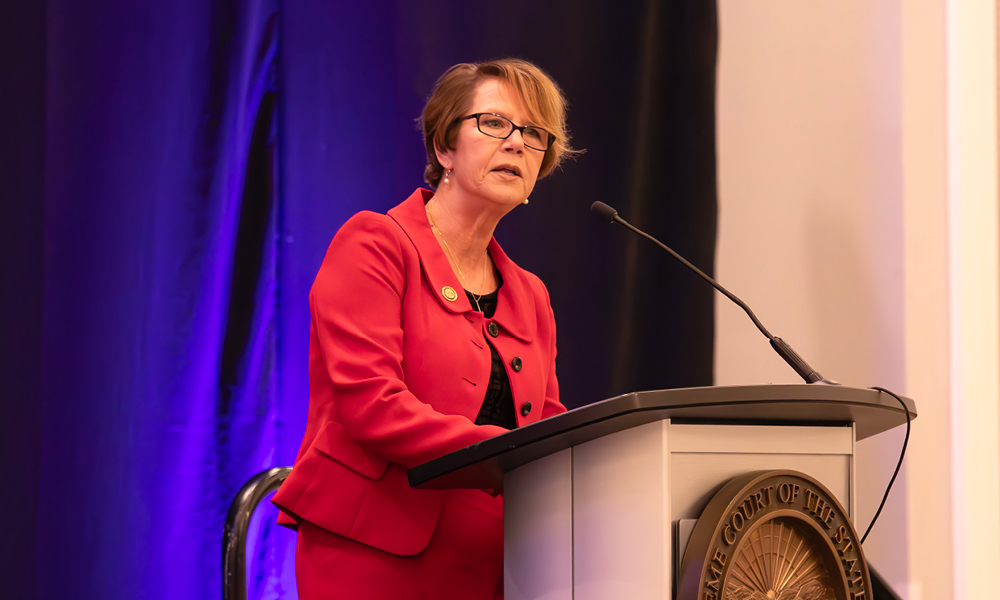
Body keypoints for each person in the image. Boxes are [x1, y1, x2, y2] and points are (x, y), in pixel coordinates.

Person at [272, 58, 576, 600]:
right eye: (494, 123)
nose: (516, 144)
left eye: (534, 134)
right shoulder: (375, 245)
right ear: (443, 149)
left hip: (499, 563)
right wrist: (510, 458)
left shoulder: (529, 293)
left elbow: (546, 425)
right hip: (375, 553)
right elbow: (375, 407)